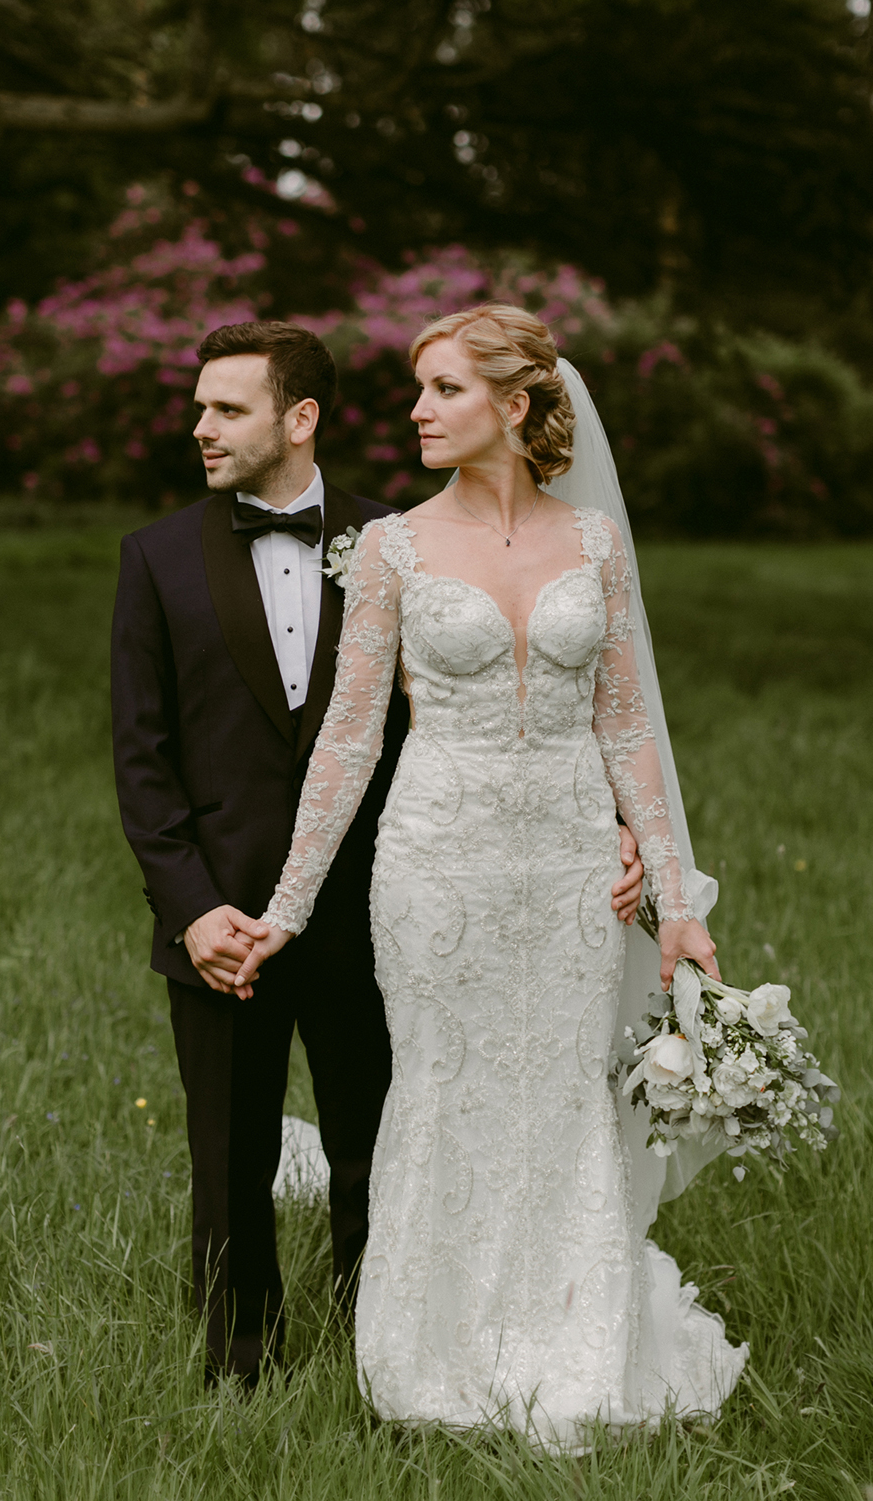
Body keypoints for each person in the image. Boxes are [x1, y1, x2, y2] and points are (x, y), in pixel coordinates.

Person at [230, 304, 748, 1444]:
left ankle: (574, 1342)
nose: (416, 411)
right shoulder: (392, 549)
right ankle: (438, 1353)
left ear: (515, 406)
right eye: (417, 390)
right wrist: (287, 907)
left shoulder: (597, 546)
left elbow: (628, 731)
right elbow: (350, 740)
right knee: (447, 1089)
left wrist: (672, 902)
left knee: (560, 1097)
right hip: (438, 866)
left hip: (569, 865)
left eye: (445, 389)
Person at [110, 316, 652, 1390]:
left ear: (298, 418)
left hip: (388, 893)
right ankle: (237, 1369)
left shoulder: (392, 534)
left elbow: (505, 707)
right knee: (228, 1155)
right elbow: (143, 756)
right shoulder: (157, 558)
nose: (199, 427)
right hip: (223, 906)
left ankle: (390, 1347)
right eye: (199, 406)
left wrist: (619, 827)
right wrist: (194, 906)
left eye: (227, 407)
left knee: (381, 1136)